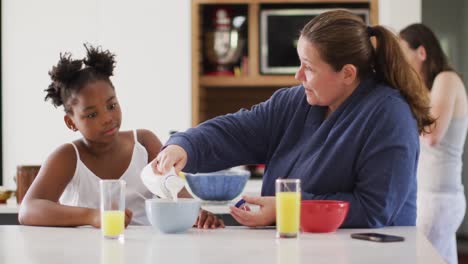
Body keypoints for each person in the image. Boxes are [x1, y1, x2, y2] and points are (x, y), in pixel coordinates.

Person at [154, 10, 434, 228]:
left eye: (309, 68)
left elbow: (373, 209)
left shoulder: (390, 116)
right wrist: (184, 146)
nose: (298, 76)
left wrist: (286, 209)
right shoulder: (295, 101)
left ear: (347, 74)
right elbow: (236, 131)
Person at [18, 44, 223, 229]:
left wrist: (197, 214)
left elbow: (178, 194)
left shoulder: (144, 142)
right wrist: (93, 217)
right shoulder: (68, 157)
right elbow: (28, 210)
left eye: (111, 105)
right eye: (91, 114)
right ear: (71, 122)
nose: (107, 118)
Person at [400, 24, 467, 264]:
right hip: (433, 196)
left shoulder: (446, 79)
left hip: (439, 199)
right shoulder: (432, 87)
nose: (401, 64)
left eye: (403, 54)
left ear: (421, 52)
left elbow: (432, 135)